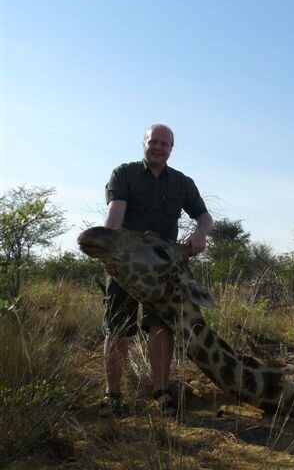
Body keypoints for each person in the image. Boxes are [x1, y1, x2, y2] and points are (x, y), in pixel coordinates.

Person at [101, 123, 213, 415]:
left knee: (161, 327)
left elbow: (205, 217)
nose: (159, 147)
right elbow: (115, 213)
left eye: (165, 144)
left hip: (164, 268)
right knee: (118, 328)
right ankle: (113, 396)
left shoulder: (181, 182)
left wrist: (200, 233)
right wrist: (108, 247)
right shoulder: (123, 174)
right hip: (127, 265)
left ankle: (161, 391)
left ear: (171, 149)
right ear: (144, 143)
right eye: (154, 142)